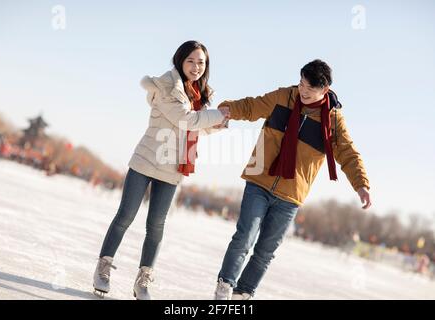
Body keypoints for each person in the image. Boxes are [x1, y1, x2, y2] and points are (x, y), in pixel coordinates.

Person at [214, 59, 371, 300]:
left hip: (291, 195)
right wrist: (227, 109)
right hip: (260, 180)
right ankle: (224, 288)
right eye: (301, 84)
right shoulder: (283, 97)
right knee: (244, 236)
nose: (303, 91)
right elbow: (251, 106)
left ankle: (242, 295)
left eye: (310, 88)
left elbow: (348, 153)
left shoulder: (333, 120)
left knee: (265, 251)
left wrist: (361, 185)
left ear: (325, 90)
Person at [93, 40, 229, 299]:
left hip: (172, 166)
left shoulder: (198, 93)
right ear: (180, 60)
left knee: (156, 225)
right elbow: (186, 120)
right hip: (146, 160)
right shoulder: (168, 85)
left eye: (201, 62)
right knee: (125, 216)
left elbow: (194, 126)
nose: (196, 66)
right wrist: (218, 116)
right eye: (191, 60)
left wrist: (217, 124)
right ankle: (103, 268)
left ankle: (143, 280)